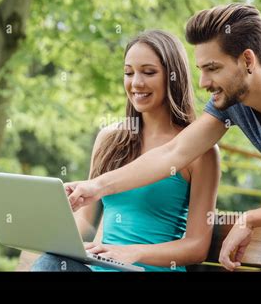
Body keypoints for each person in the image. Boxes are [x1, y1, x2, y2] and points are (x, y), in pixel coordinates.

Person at [66, 3, 261, 271]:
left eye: (213, 68)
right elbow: (174, 152)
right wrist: (96, 186)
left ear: (247, 60)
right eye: (201, 70)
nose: (203, 82)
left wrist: (251, 217)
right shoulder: (233, 104)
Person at [31, 30, 220, 272]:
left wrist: (133, 252)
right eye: (129, 73)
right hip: (99, 268)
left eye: (149, 72)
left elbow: (196, 246)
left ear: (173, 77)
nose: (136, 83)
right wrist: (53, 235)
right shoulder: (109, 139)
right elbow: (87, 224)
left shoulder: (201, 150)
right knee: (52, 262)